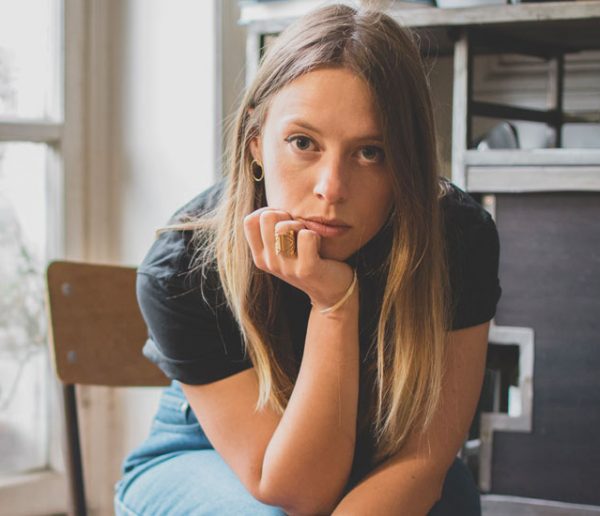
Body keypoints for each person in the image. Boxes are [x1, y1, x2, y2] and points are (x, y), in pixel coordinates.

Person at [113, 3, 502, 515]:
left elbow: (423, 462)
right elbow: (298, 491)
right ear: (255, 143)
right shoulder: (185, 263)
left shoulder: (456, 237)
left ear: (408, 158)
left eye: (372, 152)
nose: (332, 188)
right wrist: (334, 303)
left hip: (385, 450)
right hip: (209, 452)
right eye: (303, 143)